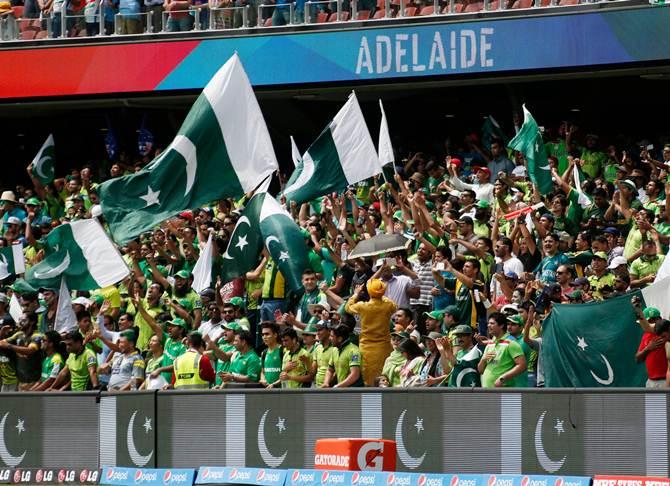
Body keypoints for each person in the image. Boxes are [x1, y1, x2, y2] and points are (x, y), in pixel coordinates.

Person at [345, 279, 397, 386]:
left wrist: (355, 294)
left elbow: (348, 307)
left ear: (369, 292)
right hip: (384, 348)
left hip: (366, 349)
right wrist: (381, 295)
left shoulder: (362, 306)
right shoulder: (387, 306)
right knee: (384, 379)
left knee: (369, 381)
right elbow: (394, 305)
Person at [478, 312, 526, 388]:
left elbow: (522, 365)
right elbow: (480, 370)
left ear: (501, 325)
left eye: (492, 323)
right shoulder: (490, 344)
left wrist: (502, 378)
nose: (488, 325)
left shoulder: (511, 343)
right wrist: (483, 360)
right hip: (487, 391)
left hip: (503, 392)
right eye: (488, 323)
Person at [0, 312, 44, 390]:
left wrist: (9, 346)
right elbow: (2, 343)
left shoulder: (37, 336)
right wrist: (2, 333)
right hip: (20, 381)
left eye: (23, 320)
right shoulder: (18, 334)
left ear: (32, 322)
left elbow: (30, 350)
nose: (20, 322)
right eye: (19, 320)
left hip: (33, 382)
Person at [259, 321, 283, 388]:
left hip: (281, 391)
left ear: (275, 335)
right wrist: (262, 379)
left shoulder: (282, 350)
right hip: (267, 390)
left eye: (267, 334)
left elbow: (286, 373)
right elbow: (262, 372)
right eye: (263, 335)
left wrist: (274, 384)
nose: (264, 337)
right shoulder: (264, 353)